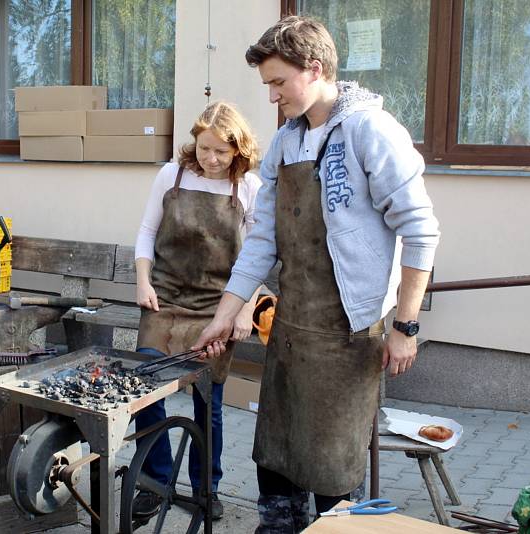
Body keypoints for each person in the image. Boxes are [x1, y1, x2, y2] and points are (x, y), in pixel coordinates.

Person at [193, 16, 441, 533]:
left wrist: (406, 327)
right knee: (277, 450)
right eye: (268, 85)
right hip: (291, 327)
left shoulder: (370, 131)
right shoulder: (287, 142)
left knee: (332, 464)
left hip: (350, 333)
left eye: (278, 83)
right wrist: (225, 314)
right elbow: (262, 241)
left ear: (315, 67)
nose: (271, 97)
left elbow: (421, 232)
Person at [132, 101, 262, 521]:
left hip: (216, 308)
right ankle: (155, 481)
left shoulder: (248, 189)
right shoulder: (172, 176)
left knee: (209, 401)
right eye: (204, 148)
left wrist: (245, 309)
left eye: (221, 152)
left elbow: (261, 256)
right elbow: (147, 232)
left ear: (237, 151)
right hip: (165, 302)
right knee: (146, 388)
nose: (211, 159)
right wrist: (142, 280)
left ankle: (208, 489)